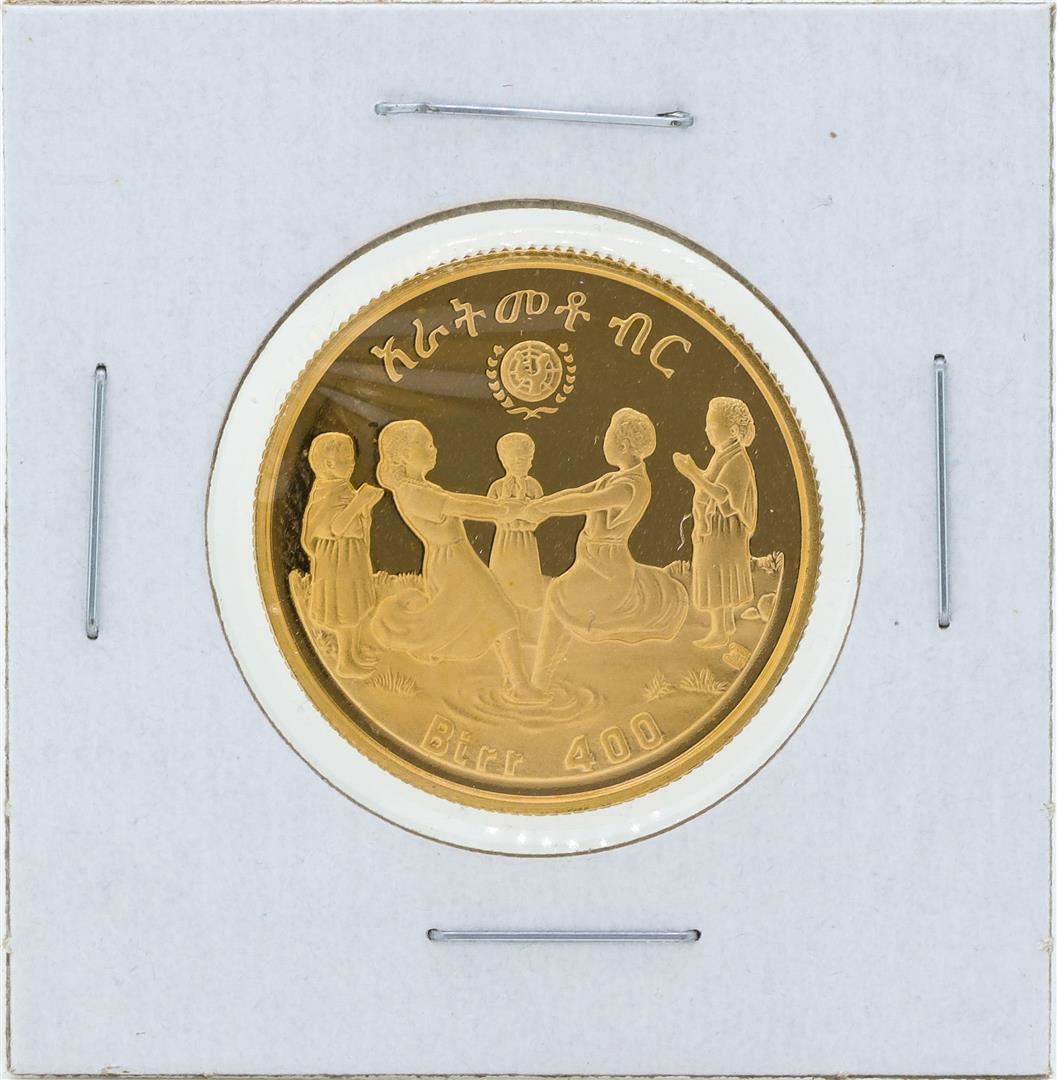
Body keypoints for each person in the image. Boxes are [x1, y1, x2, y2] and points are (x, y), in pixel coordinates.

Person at [370, 419, 544, 701]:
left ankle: (509, 678)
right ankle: (519, 684)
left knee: (480, 616)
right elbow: (462, 505)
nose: (433, 449)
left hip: (456, 559)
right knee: (502, 615)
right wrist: (504, 510)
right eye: (426, 445)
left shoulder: (422, 486)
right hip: (453, 565)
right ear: (404, 455)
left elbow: (459, 500)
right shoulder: (412, 493)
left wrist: (502, 508)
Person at [520, 408, 689, 690]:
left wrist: (543, 510)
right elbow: (578, 492)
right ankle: (542, 679)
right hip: (592, 561)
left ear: (623, 445)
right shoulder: (614, 478)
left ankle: (539, 682)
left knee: (557, 595)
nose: (604, 440)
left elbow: (584, 503)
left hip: (606, 570)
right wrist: (539, 505)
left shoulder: (630, 487)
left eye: (608, 434)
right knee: (558, 601)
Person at [672, 396, 758, 648]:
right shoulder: (722, 456)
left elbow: (723, 497)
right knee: (715, 571)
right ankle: (726, 624)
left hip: (725, 529)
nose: (707, 430)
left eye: (712, 425)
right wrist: (692, 471)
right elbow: (710, 484)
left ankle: (719, 631)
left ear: (732, 431)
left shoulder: (738, 460)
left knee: (717, 573)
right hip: (716, 528)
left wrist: (692, 473)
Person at [301, 432, 384, 677]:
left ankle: (354, 652)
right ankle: (345, 661)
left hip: (351, 555)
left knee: (354, 607)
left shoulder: (342, 488)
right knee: (345, 608)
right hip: (337, 559)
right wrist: (360, 501)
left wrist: (365, 504)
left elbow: (353, 520)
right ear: (328, 464)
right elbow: (335, 527)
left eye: (351, 458)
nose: (352, 464)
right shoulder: (327, 492)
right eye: (346, 459)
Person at [487, 432, 545, 610]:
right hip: (504, 539)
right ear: (505, 461)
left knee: (526, 572)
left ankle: (529, 605)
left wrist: (525, 521)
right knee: (503, 572)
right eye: (517, 460)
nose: (523, 463)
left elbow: (541, 512)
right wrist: (507, 516)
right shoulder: (497, 487)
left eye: (527, 459)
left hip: (526, 539)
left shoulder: (533, 486)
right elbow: (489, 511)